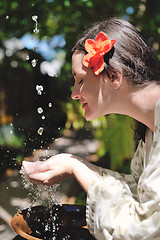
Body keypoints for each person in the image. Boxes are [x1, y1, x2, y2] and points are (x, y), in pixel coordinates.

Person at [22, 18, 160, 239]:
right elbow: (141, 198)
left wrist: (77, 168)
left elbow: (143, 230)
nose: (74, 94)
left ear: (114, 75)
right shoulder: (151, 132)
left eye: (80, 80)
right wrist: (74, 164)